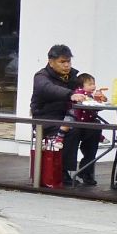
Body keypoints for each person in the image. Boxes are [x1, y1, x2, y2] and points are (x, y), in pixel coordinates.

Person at [29, 44, 96, 186]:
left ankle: (87, 170)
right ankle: (63, 172)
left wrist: (93, 96)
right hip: (47, 118)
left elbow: (82, 91)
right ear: (51, 62)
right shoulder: (41, 76)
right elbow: (48, 89)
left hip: (71, 116)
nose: (66, 65)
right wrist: (70, 95)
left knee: (94, 128)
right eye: (62, 62)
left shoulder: (73, 76)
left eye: (68, 61)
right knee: (72, 130)